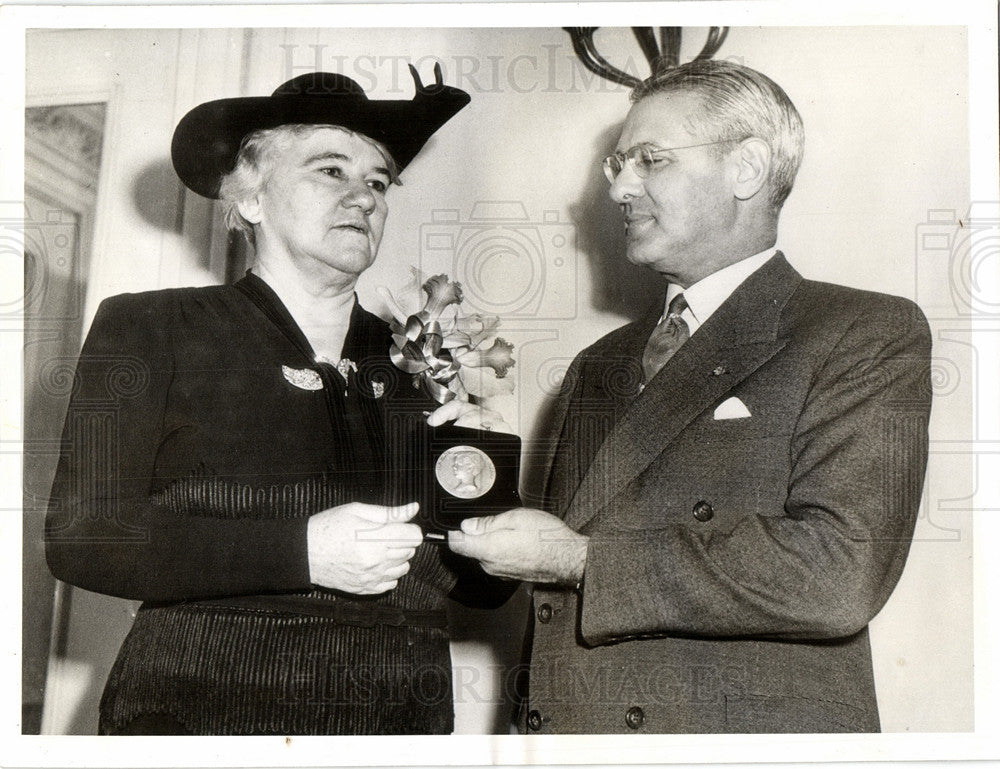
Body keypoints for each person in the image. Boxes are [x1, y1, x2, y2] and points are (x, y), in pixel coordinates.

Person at [449, 59, 932, 733]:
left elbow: (838, 572)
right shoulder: (599, 363)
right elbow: (547, 594)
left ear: (747, 168)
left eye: (650, 160)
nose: (617, 185)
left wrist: (578, 560)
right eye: (617, 162)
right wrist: (458, 471)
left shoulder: (860, 331)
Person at [45, 66, 512, 736]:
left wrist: (485, 477)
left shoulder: (423, 359)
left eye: (379, 181)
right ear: (251, 197)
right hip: (202, 714)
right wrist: (302, 550)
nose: (365, 198)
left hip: (401, 723)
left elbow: (485, 587)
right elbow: (82, 536)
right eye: (331, 170)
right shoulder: (151, 327)